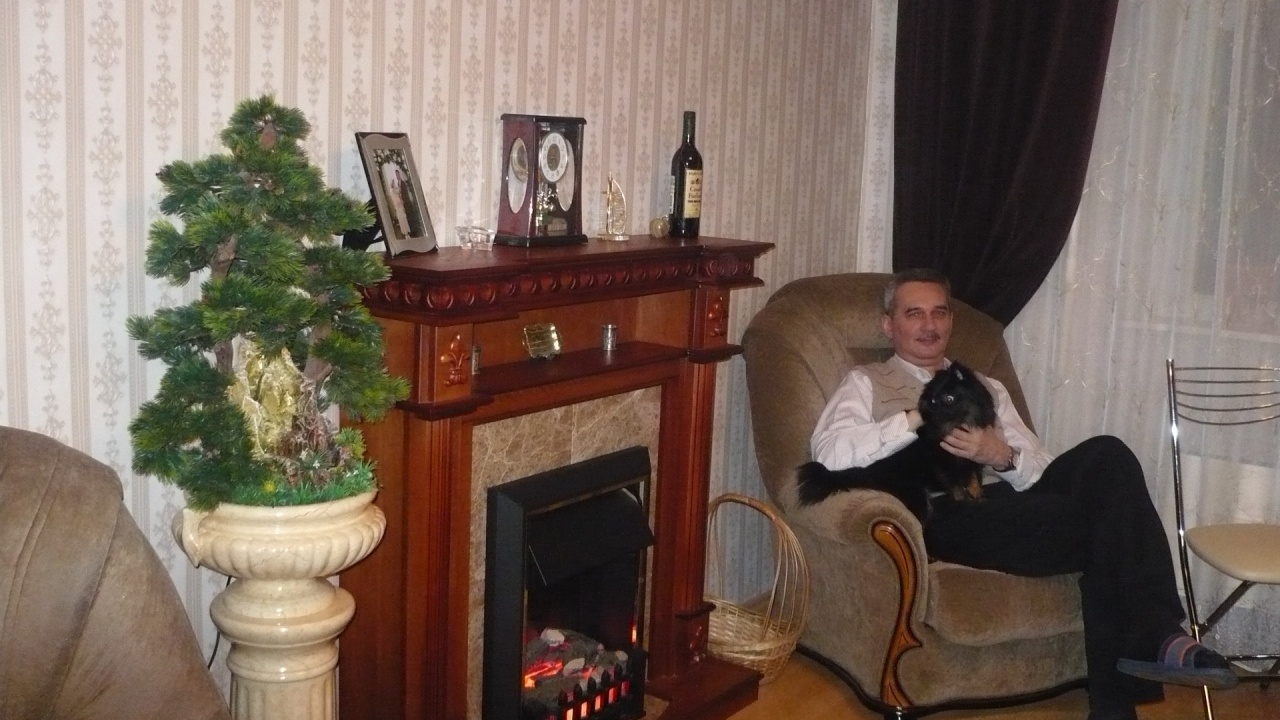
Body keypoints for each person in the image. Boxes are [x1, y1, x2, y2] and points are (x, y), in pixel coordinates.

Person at [809, 268, 1236, 720]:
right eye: (914, 313)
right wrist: (918, 415)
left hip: (1008, 502)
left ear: (951, 321)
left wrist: (1000, 455)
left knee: (1107, 455)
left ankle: (1127, 682)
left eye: (939, 312)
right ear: (888, 325)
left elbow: (1044, 472)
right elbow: (829, 455)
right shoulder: (866, 381)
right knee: (1109, 527)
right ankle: (1152, 642)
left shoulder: (985, 387)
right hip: (943, 512)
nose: (929, 325)